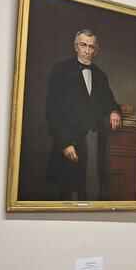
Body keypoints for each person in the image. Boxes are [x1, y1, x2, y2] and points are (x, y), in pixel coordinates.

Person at [46, 29, 121, 201]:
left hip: (92, 142)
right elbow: (52, 111)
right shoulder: (60, 70)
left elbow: (109, 101)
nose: (87, 50)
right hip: (68, 141)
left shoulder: (100, 75)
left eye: (91, 46)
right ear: (75, 46)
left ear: (96, 50)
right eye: (83, 45)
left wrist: (114, 111)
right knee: (66, 194)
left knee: (89, 192)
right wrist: (65, 143)